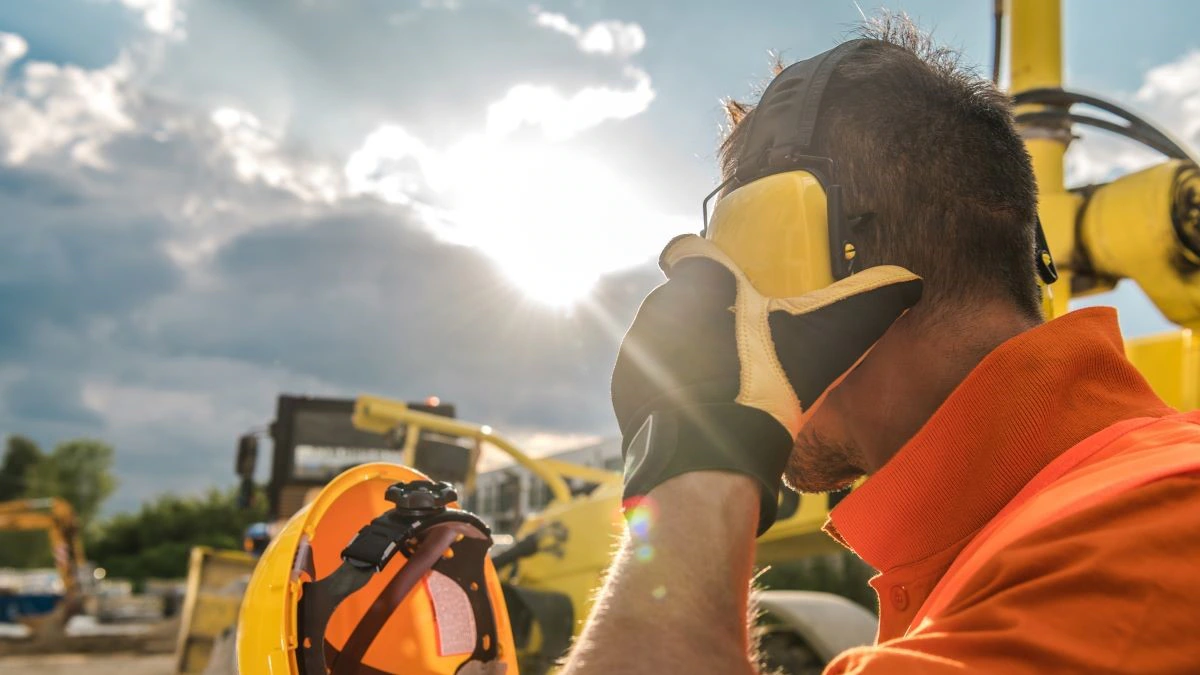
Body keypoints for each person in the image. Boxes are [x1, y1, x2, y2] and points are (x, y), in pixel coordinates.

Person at [560, 14, 1200, 675]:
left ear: (809, 268)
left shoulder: (1126, 545)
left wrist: (690, 459)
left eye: (733, 266)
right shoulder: (1044, 541)